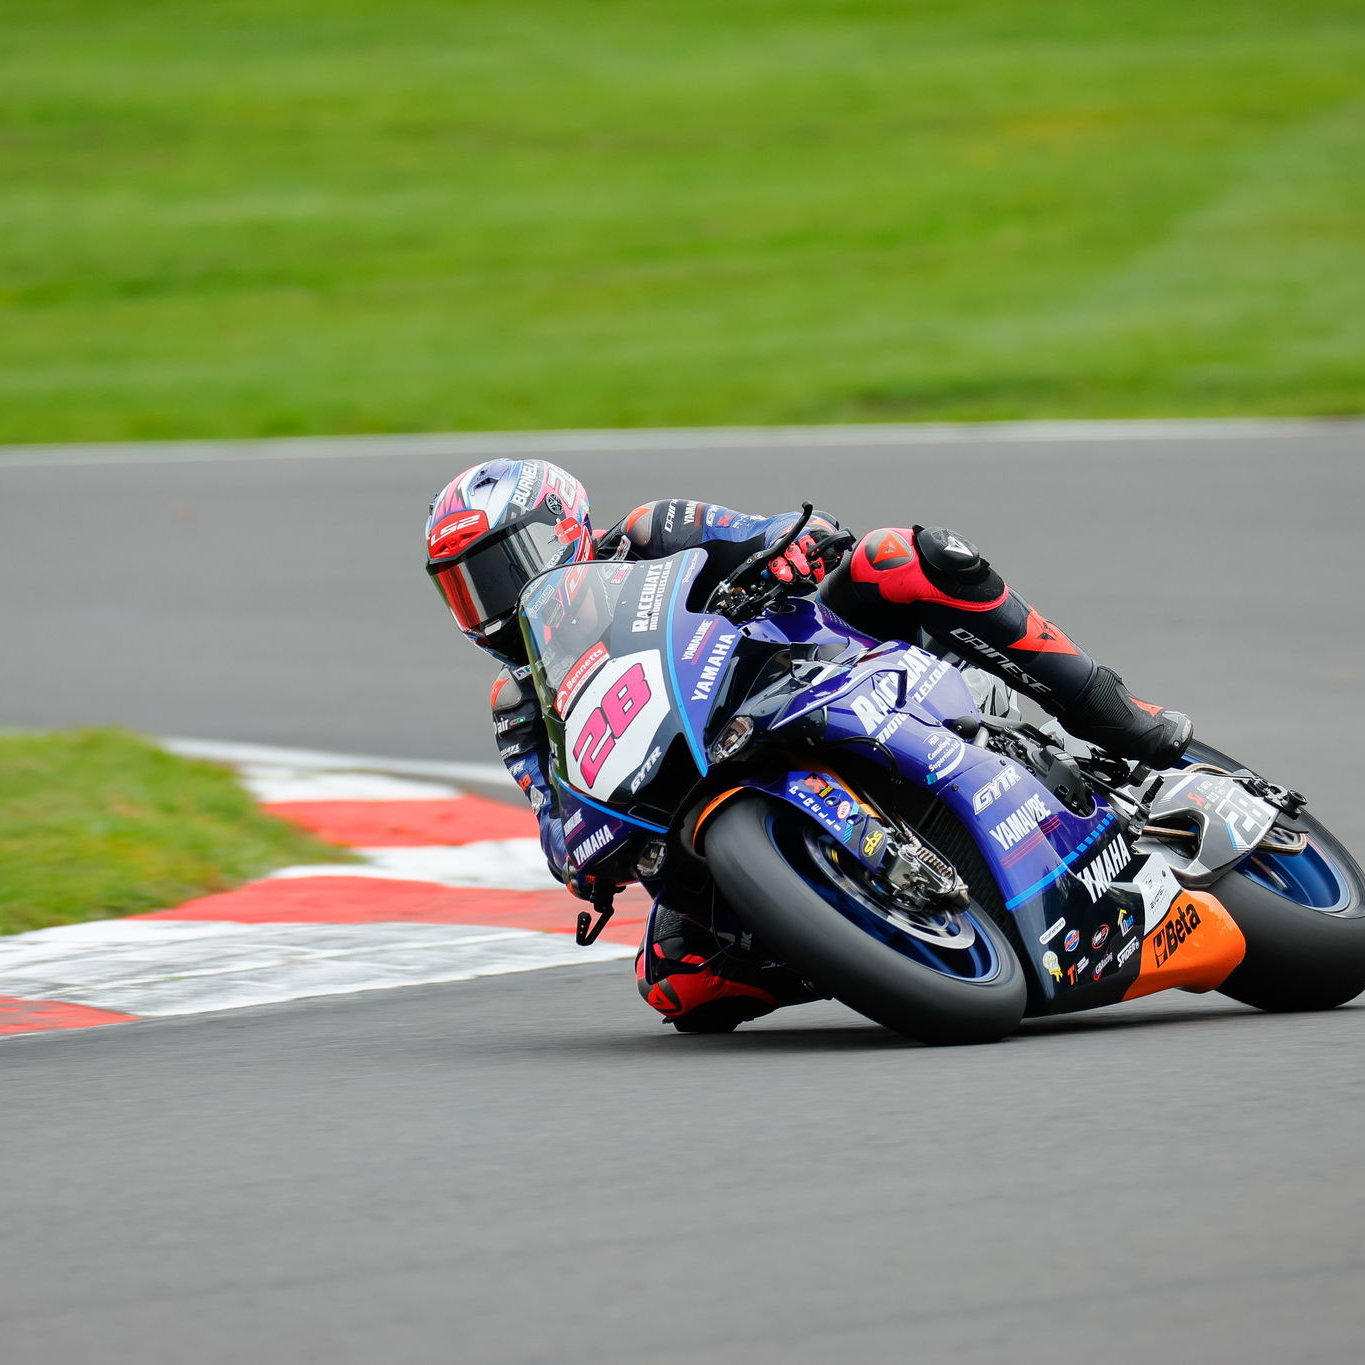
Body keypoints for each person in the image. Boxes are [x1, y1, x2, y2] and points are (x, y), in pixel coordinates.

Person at [425, 458, 1192, 1031]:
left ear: (561, 527)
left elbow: (766, 532)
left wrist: (793, 547)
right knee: (678, 984)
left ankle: (1109, 710)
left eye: (499, 568)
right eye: (463, 587)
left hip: (809, 668)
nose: (489, 603)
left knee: (901, 555)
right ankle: (863, 937)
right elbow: (552, 812)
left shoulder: (649, 532)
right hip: (692, 792)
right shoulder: (521, 704)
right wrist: (583, 864)